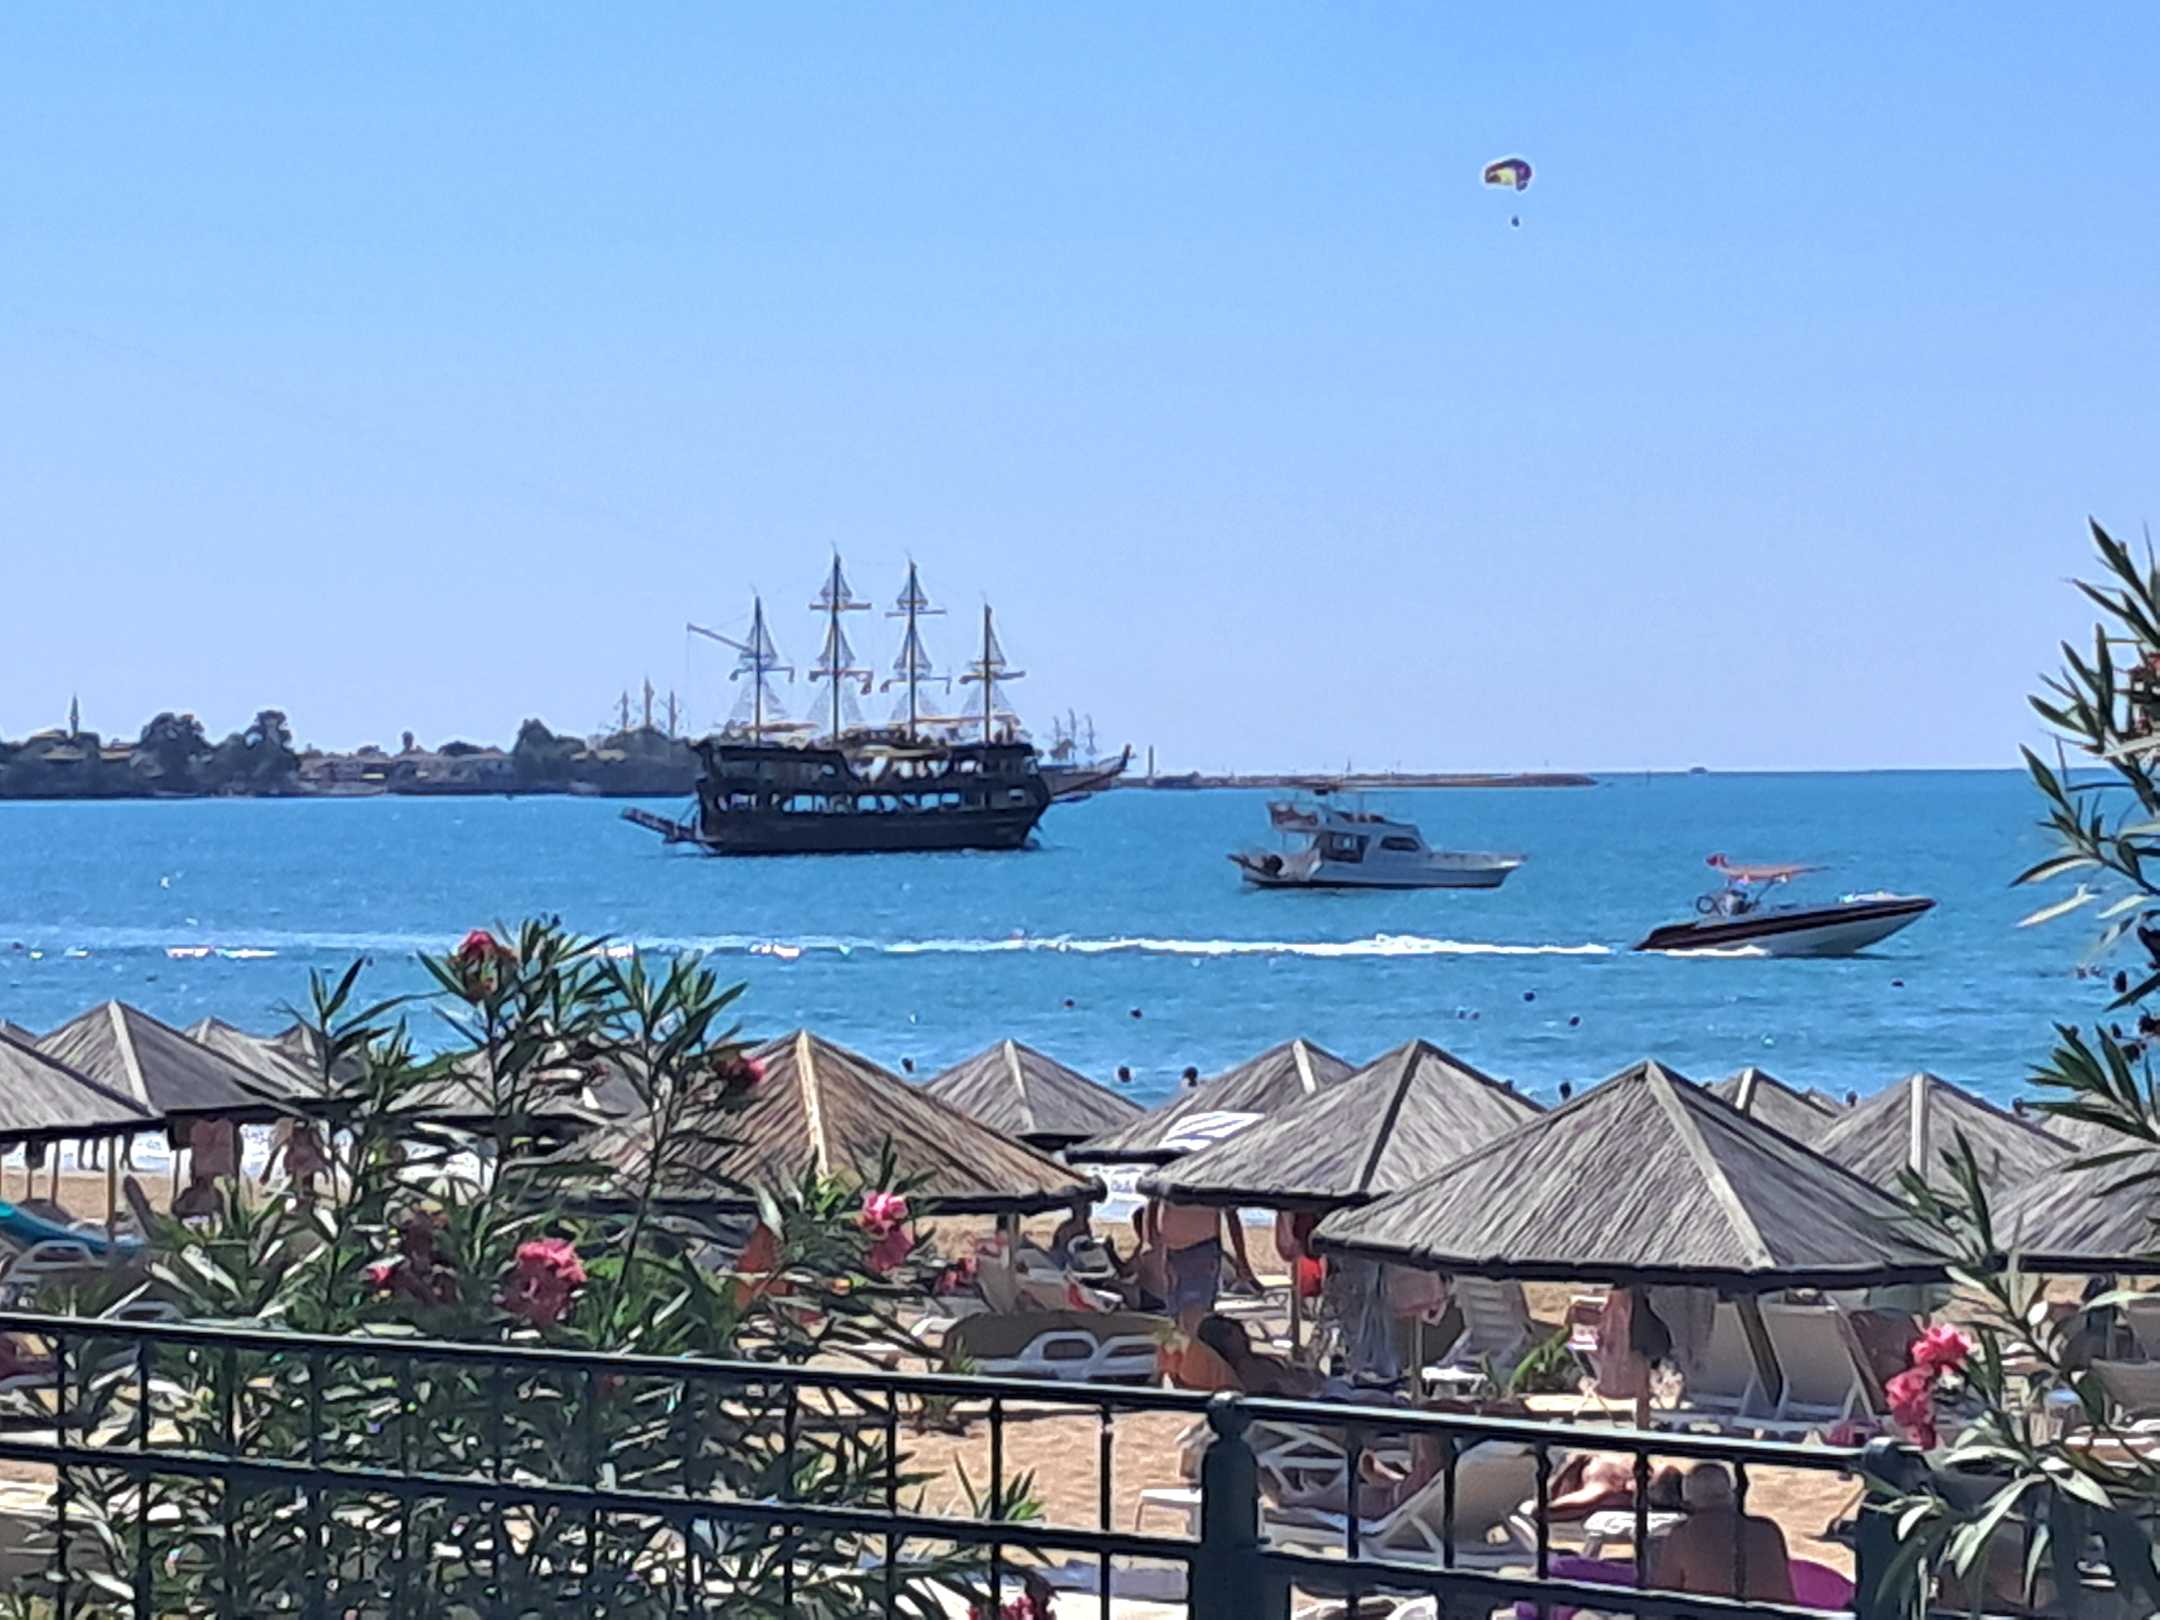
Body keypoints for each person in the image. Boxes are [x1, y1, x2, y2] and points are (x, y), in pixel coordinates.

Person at [1649, 1463, 1795, 1604]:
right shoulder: (1768, 1530)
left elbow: (1664, 1598)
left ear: (1687, 1503)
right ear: (1733, 1495)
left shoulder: (1681, 1536)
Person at [1151, 1199, 1259, 1333]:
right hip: (1171, 1252)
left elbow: (1231, 1216)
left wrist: (1241, 1260)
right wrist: (1152, 1244)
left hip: (1201, 1250)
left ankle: (1194, 1343)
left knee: (1196, 1317)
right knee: (1175, 1315)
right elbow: (1153, 1203)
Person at [1194, 1314, 1323, 1398]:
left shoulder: (1253, 1362)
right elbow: (1279, 1393)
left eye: (1234, 1327)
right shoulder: (1241, 1373)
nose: (1238, 1333)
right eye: (1228, 1332)